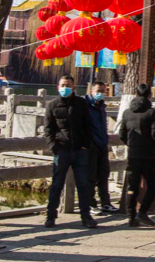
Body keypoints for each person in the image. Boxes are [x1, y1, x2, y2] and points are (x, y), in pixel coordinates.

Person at [44, 75, 97, 228]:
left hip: (80, 151)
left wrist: (86, 145)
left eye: (68, 85)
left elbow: (88, 125)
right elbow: (48, 130)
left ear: (74, 87)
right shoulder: (52, 105)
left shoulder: (81, 103)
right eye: (62, 85)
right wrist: (55, 148)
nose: (65, 88)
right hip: (62, 151)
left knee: (83, 185)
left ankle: (86, 217)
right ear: (58, 87)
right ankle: (51, 216)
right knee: (56, 185)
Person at [118, 83, 155, 227]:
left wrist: (131, 144)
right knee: (154, 185)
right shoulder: (151, 113)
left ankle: (131, 217)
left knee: (132, 187)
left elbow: (122, 134)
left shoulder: (127, 113)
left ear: (135, 94)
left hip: (133, 154)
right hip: (148, 155)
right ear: (149, 95)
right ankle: (142, 212)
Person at [86, 81, 118, 216]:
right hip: (91, 145)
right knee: (90, 176)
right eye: (98, 90)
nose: (100, 93)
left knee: (104, 175)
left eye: (103, 91)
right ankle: (90, 204)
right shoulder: (85, 106)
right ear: (91, 91)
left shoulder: (101, 107)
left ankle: (105, 202)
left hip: (102, 144)